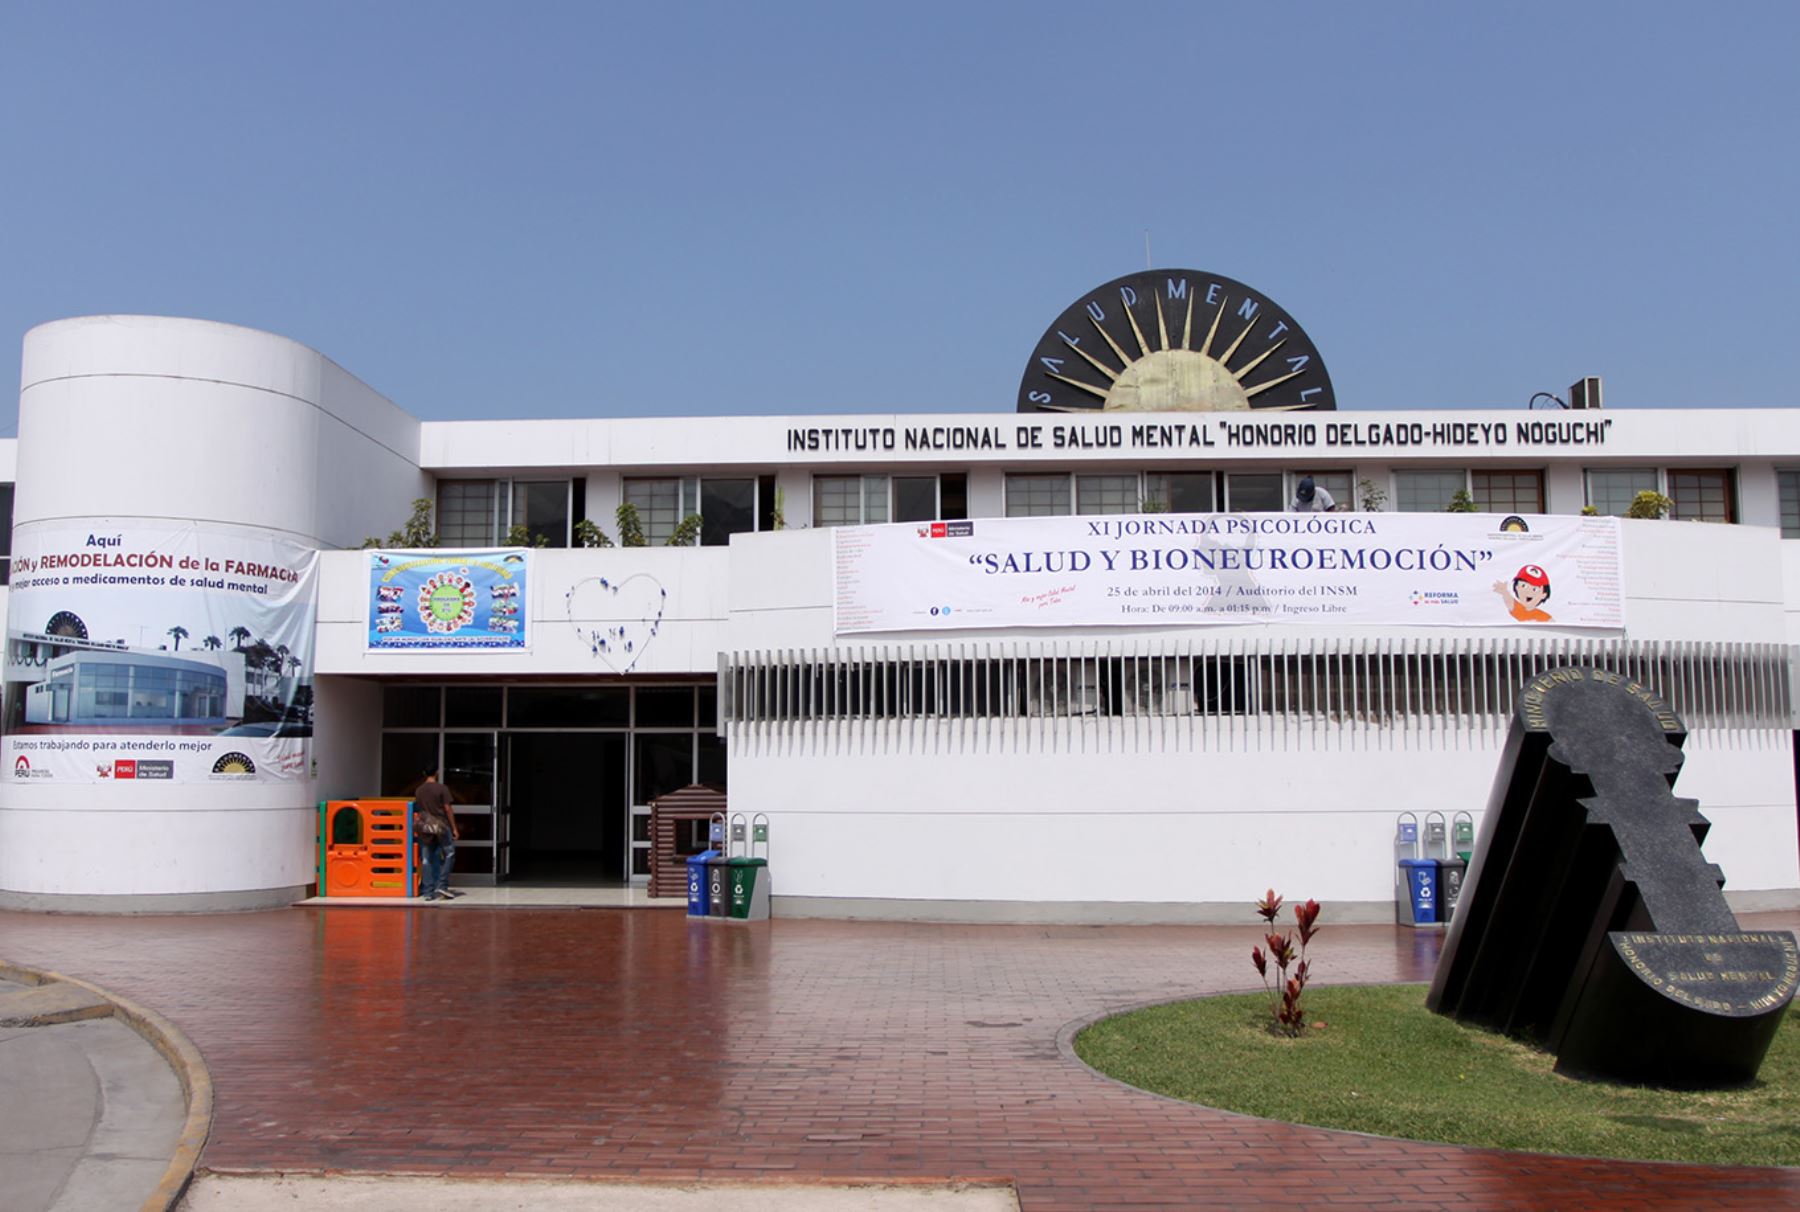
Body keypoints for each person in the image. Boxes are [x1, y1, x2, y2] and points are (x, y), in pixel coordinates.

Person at [413, 769, 462, 901]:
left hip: (424, 827)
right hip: (441, 825)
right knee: (450, 853)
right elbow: (447, 809)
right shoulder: (442, 788)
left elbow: (419, 807)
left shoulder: (419, 790)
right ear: (437, 773)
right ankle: (442, 885)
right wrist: (454, 828)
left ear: (424, 773)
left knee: (426, 858)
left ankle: (428, 891)